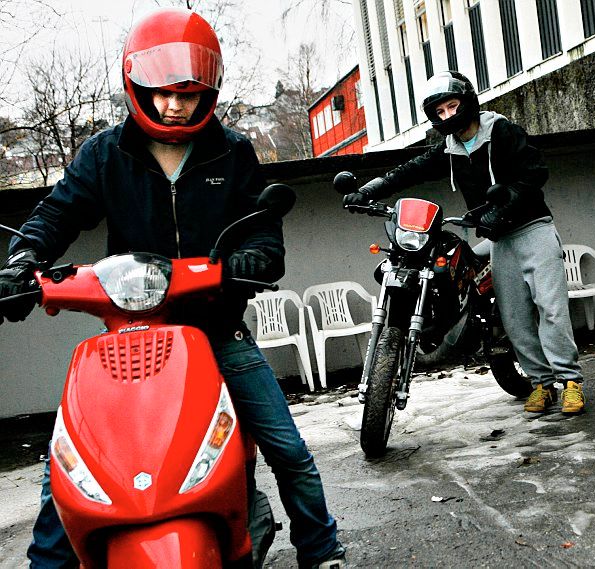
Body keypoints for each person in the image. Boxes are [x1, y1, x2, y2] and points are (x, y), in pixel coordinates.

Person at [0, 8, 345, 569]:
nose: (174, 105)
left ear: (208, 91)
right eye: (162, 93)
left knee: (288, 448)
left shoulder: (233, 151)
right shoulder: (104, 153)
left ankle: (321, 549)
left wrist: (252, 259)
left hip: (217, 329)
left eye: (188, 94)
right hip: (129, 336)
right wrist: (22, 263)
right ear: (137, 86)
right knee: (71, 467)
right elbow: (56, 214)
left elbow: (262, 231)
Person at [342, 71, 586, 415]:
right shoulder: (451, 147)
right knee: (514, 317)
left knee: (550, 307)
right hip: (499, 239)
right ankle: (542, 384)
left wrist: (506, 202)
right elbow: (412, 169)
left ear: (468, 102)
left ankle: (570, 381)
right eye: (439, 112)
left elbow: (535, 172)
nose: (448, 115)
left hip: (533, 228)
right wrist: (370, 189)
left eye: (452, 106)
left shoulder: (501, 131)